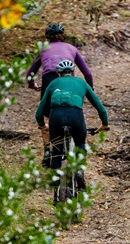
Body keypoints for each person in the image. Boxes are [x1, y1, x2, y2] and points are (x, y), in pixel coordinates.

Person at [35, 59, 109, 196]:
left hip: (55, 117)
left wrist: (42, 126)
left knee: (56, 149)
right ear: (74, 73)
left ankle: (56, 183)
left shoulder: (53, 83)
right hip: (75, 116)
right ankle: (79, 170)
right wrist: (105, 124)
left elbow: (39, 113)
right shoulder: (81, 82)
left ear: (59, 74)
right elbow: (101, 109)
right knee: (80, 142)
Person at [26, 23, 95, 167]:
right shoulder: (72, 48)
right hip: (69, 79)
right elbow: (87, 73)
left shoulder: (43, 50)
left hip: (49, 80)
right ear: (63, 36)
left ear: (47, 37)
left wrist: (32, 85)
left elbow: (30, 73)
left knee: (49, 115)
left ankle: (47, 149)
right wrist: (90, 88)